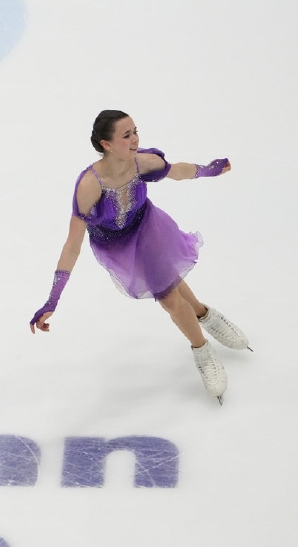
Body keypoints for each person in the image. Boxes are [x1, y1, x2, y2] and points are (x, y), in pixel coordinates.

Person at [28, 110, 249, 404]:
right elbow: (72, 243)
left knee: (169, 297)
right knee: (168, 285)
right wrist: (53, 298)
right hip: (116, 244)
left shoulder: (143, 163)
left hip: (148, 228)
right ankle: (204, 315)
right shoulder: (89, 184)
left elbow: (177, 171)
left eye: (135, 132)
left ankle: (202, 350)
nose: (135, 140)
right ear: (106, 144)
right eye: (126, 135)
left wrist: (208, 170)